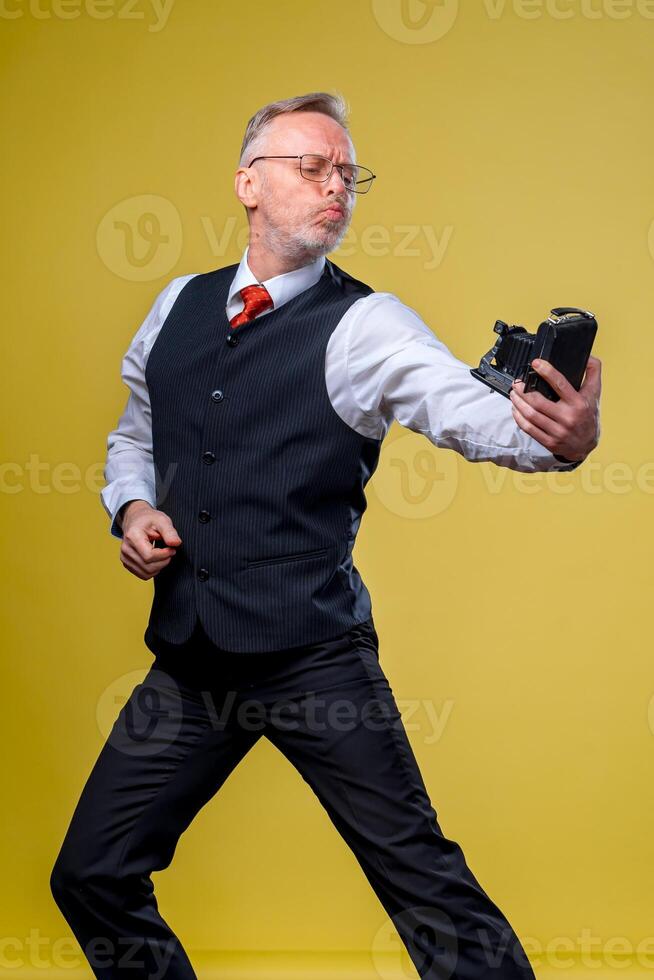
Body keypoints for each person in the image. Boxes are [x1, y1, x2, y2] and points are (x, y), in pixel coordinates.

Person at [50, 92, 601, 979]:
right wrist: (132, 507)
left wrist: (557, 441)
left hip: (313, 656)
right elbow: (137, 435)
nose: (335, 186)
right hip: (192, 659)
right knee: (91, 875)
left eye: (348, 173)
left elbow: (463, 409)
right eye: (312, 167)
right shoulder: (177, 307)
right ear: (249, 184)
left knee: (427, 890)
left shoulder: (366, 325)